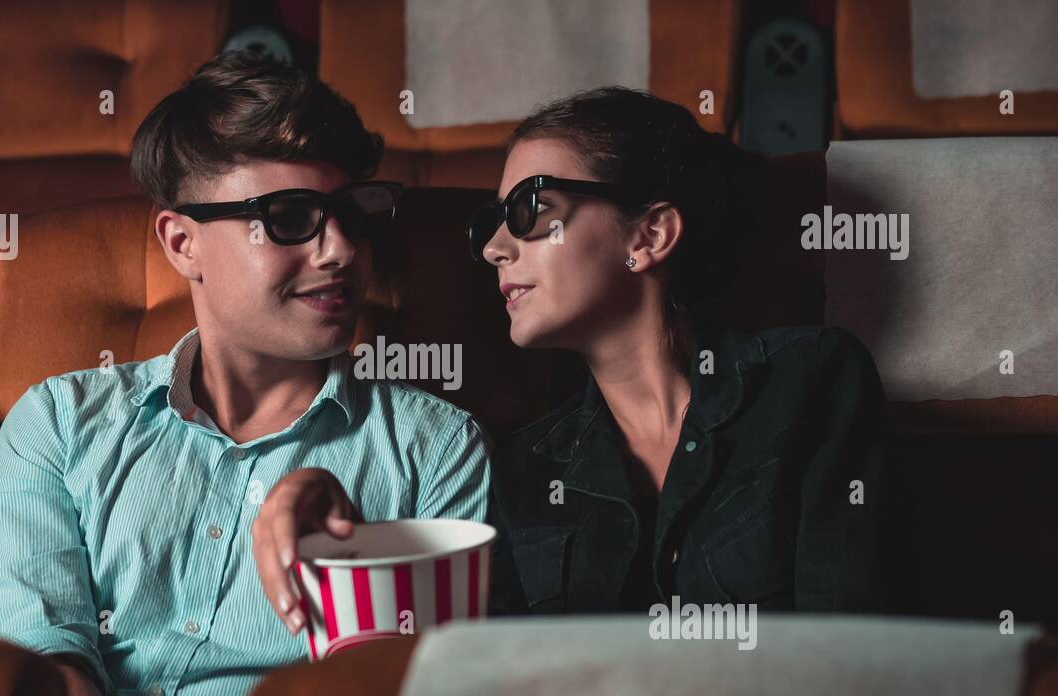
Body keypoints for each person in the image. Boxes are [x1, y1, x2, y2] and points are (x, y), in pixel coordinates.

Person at [253, 87, 906, 632]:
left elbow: (851, 649)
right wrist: (342, 529)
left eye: (531, 209)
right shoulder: (523, 469)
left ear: (648, 235)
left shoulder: (811, 379)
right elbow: (477, 676)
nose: (495, 250)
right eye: (493, 223)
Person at [0, 51, 490, 696]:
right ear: (182, 242)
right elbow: (44, 672)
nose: (339, 250)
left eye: (351, 215)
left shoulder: (437, 448)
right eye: (289, 216)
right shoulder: (58, 423)